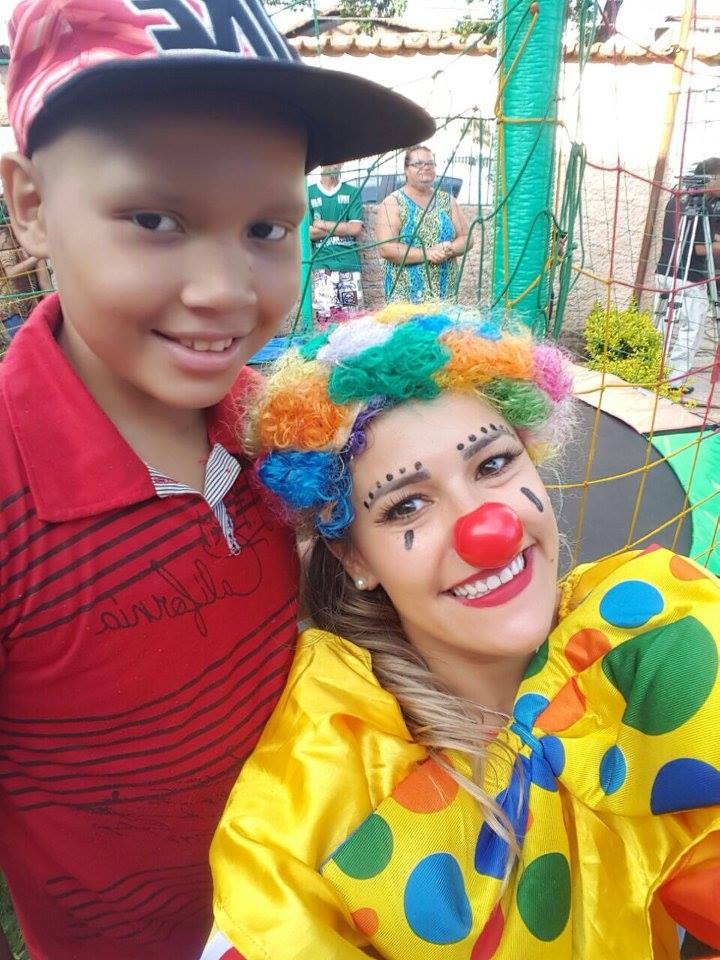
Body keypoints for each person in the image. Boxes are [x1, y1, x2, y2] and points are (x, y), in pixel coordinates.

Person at [0, 1, 433, 957]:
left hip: (315, 915)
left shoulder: (281, 426)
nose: (226, 290)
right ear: (30, 205)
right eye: (155, 220)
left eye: (268, 227)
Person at [204, 303, 720, 959]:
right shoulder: (330, 774)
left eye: (494, 465)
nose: (486, 531)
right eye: (408, 505)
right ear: (355, 557)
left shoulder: (647, 636)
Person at [653, 157, 720, 393]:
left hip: (665, 271)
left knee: (662, 327)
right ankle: (674, 382)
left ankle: (651, 372)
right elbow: (700, 247)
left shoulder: (678, 197)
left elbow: (694, 236)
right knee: (689, 332)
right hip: (689, 277)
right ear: (712, 178)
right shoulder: (701, 205)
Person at [376, 146, 471, 303]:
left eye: (430, 163)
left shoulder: (448, 201)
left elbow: (467, 238)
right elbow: (386, 248)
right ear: (406, 170)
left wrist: (449, 249)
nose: (426, 167)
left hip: (444, 293)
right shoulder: (393, 203)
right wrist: (428, 254)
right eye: (418, 164)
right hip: (405, 297)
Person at [308, 164, 365, 322]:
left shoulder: (352, 192)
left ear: (342, 163)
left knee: (354, 322)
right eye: (329, 160)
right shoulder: (308, 193)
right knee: (325, 321)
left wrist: (322, 224)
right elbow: (308, 233)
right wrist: (342, 228)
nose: (334, 164)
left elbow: (355, 229)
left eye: (337, 161)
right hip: (322, 266)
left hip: (349, 264)